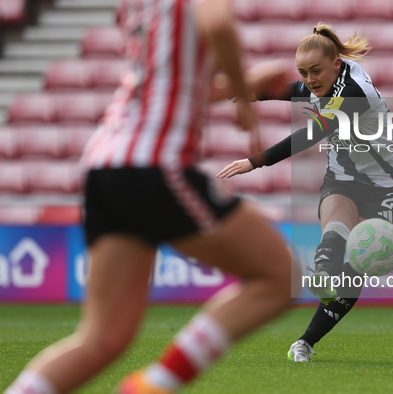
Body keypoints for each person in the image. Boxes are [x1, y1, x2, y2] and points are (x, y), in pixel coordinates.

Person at [4, 1, 297, 393]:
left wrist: (245, 84)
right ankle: (155, 385)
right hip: (155, 162)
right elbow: (218, 24)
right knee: (281, 276)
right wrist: (245, 98)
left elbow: (172, 84)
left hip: (106, 163)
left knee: (102, 339)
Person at [218, 23, 393, 362]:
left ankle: (305, 340)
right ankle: (323, 274)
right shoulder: (329, 80)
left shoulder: (354, 92)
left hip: (387, 186)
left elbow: (314, 132)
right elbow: (301, 90)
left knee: (357, 267)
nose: (310, 78)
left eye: (315, 71)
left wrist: (257, 161)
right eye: (304, 72)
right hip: (343, 177)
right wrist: (258, 93)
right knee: (336, 225)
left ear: (337, 63)